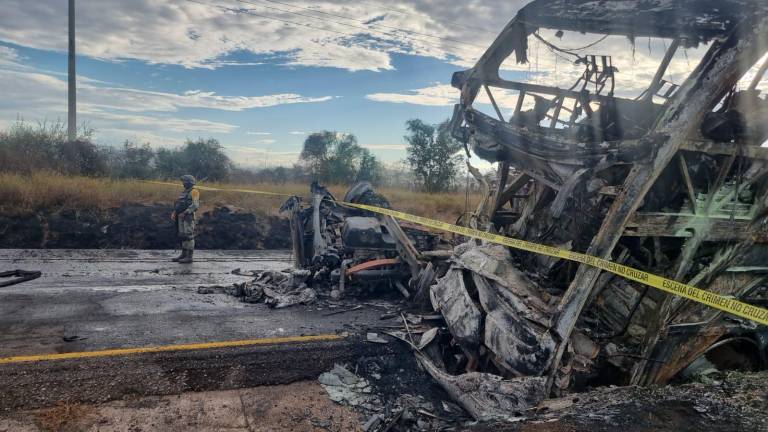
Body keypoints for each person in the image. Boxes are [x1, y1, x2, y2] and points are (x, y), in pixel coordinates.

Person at [171, 175, 200, 263]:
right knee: (182, 235)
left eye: (184, 181)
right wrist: (174, 213)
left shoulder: (194, 191)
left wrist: (185, 212)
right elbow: (179, 204)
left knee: (189, 236)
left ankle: (189, 256)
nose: (183, 183)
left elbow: (195, 205)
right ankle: (183, 254)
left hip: (188, 217)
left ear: (189, 182)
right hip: (180, 216)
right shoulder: (184, 192)